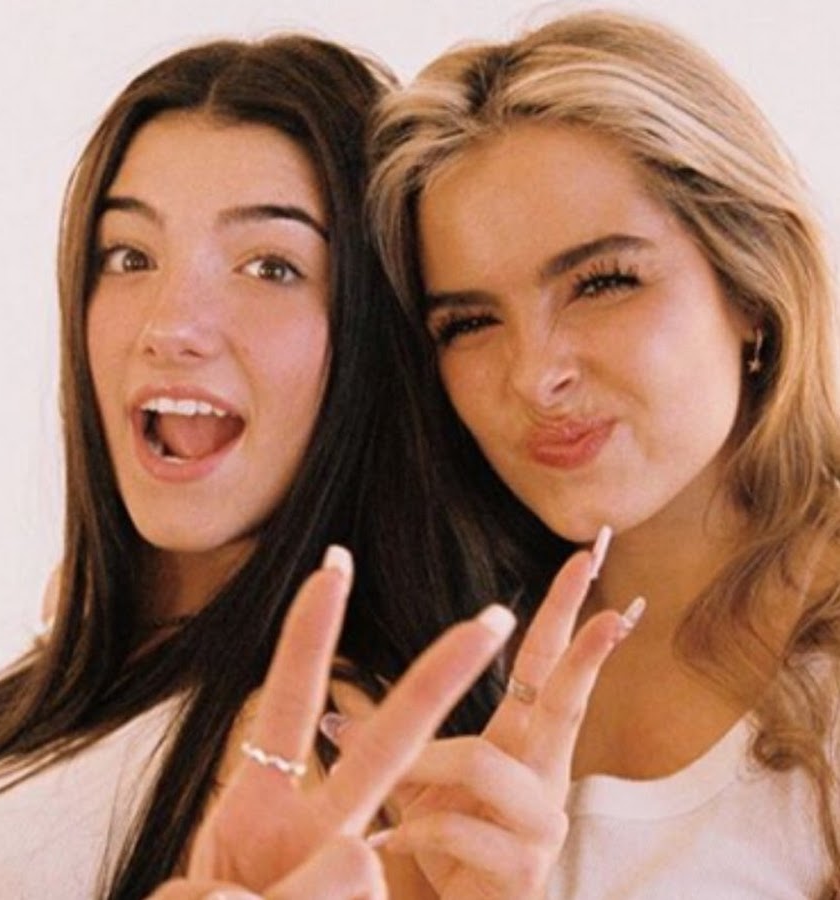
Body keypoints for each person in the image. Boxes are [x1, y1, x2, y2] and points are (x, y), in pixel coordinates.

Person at [0, 29, 632, 900]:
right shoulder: (100, 652)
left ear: (372, 343)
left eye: (270, 266)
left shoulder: (317, 751)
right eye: (129, 256)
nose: (170, 324)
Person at [367, 9, 840, 897]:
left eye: (602, 282)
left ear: (752, 284)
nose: (534, 375)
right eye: (468, 323)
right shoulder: (434, 666)